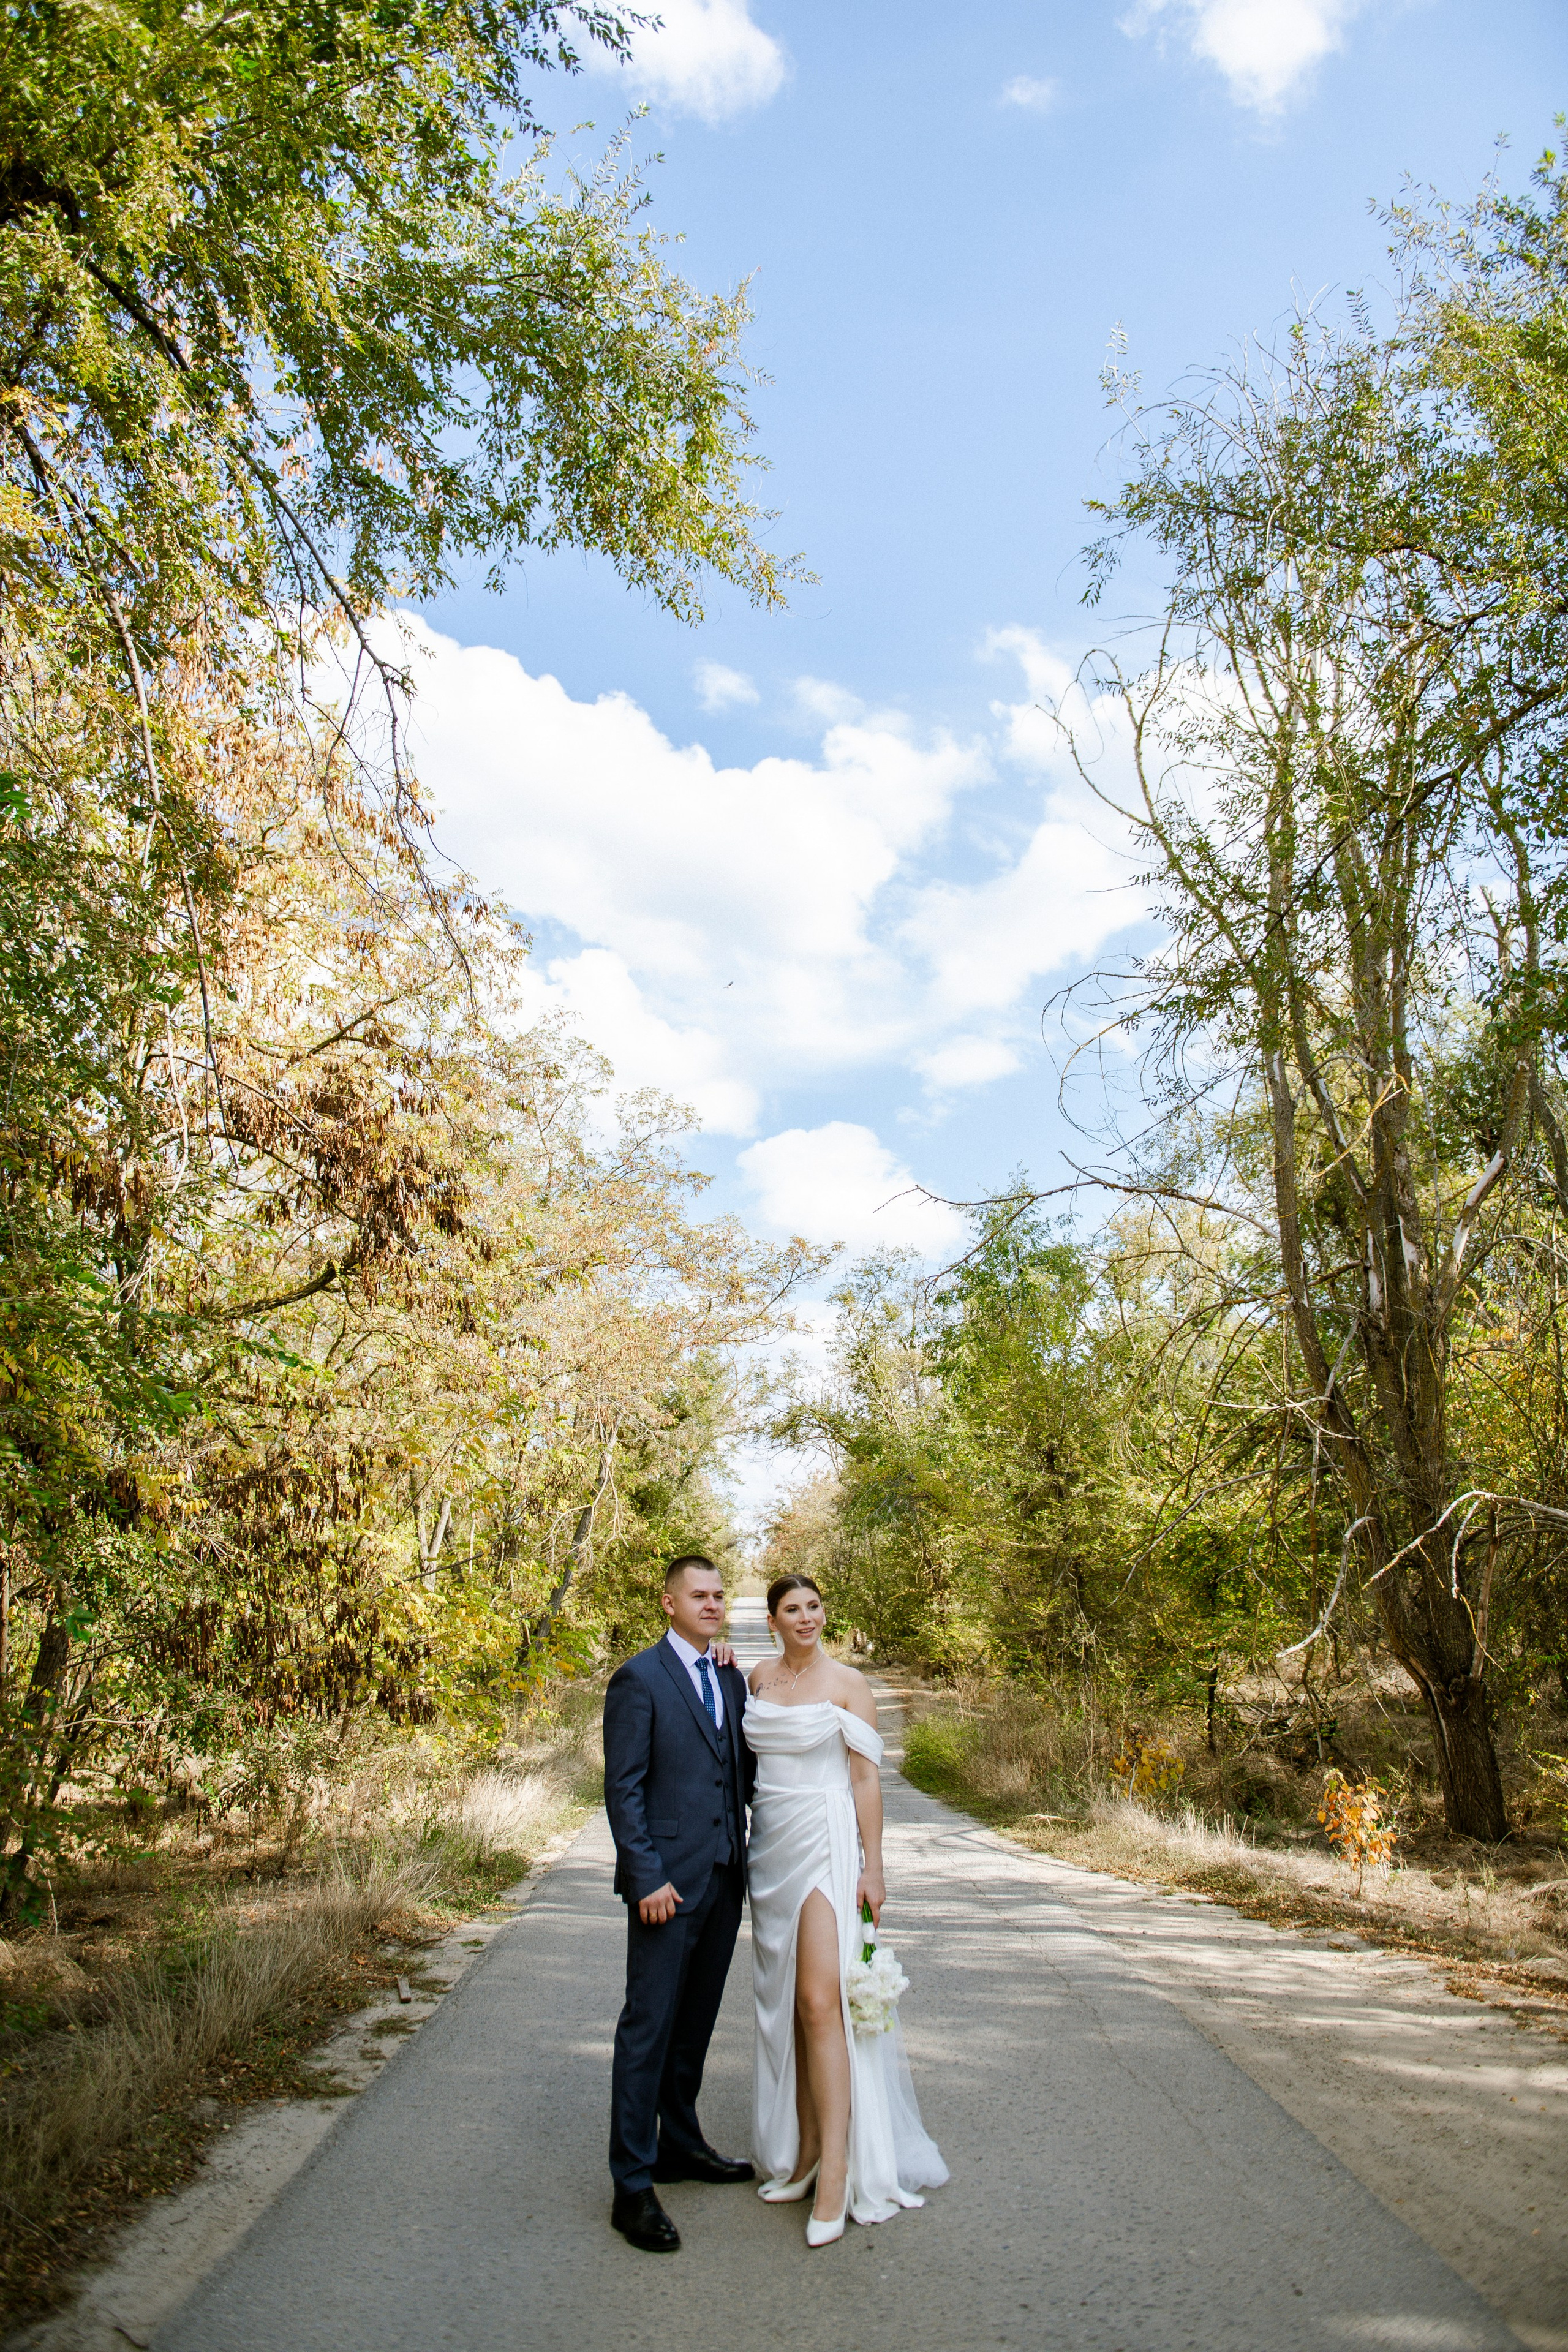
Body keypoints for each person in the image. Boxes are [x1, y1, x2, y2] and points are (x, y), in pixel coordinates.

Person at [744, 1572, 947, 2247]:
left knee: (818, 2002)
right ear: (772, 1619)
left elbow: (864, 1777)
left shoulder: (848, 1686)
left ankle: (837, 2171)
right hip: (769, 1850)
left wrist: (875, 1864)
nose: (806, 1618)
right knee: (786, 2007)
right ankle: (802, 2154)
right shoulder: (756, 1679)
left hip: (826, 1841)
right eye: (792, 1609)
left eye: (814, 1607)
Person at [602, 1554, 756, 2253]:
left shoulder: (726, 1673)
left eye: (719, 1596)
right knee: (648, 2030)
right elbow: (624, 1788)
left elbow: (741, 1770)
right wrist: (646, 1877)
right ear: (668, 1604)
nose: (712, 1604)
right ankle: (632, 2185)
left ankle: (681, 2145)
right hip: (666, 1886)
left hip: (724, 1878)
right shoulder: (638, 1679)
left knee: (693, 2026)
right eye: (698, 1596)